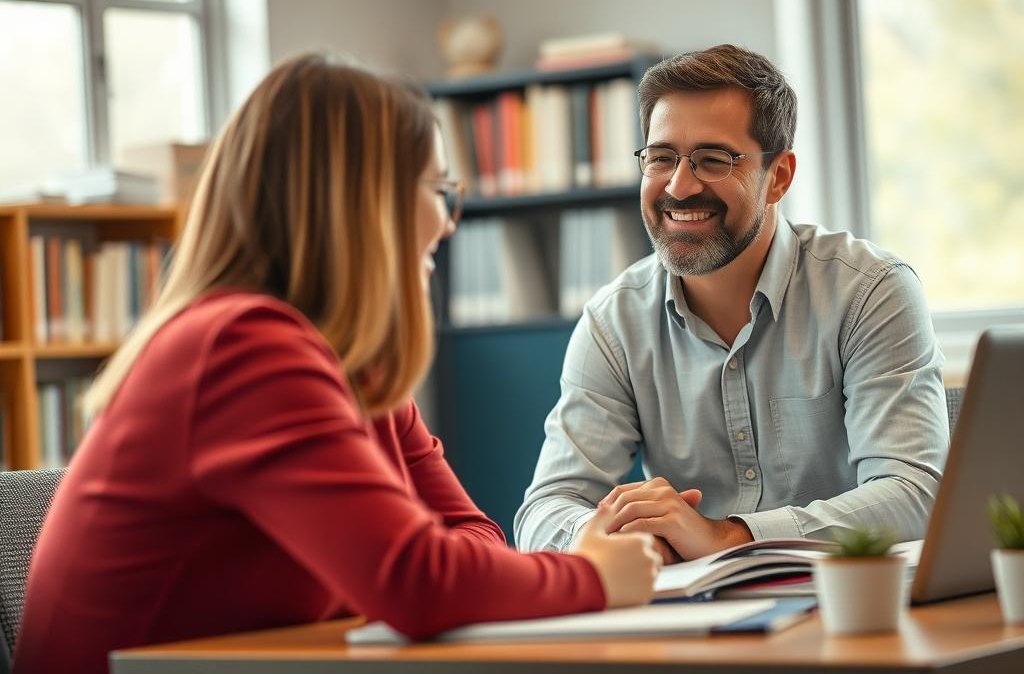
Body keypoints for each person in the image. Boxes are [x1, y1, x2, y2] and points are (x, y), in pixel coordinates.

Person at [14, 55, 662, 674]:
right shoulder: (241, 348)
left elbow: (473, 543)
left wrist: (459, 578)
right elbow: (420, 579)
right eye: (436, 189)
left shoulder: (358, 372)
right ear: (364, 202)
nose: (447, 222)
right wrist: (593, 575)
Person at [515, 44, 949, 564]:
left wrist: (730, 535)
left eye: (713, 159)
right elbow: (545, 507)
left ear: (779, 178)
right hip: (697, 621)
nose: (679, 185)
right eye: (660, 157)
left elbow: (913, 493)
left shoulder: (870, 291)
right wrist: (610, 533)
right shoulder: (614, 321)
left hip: (849, 604)